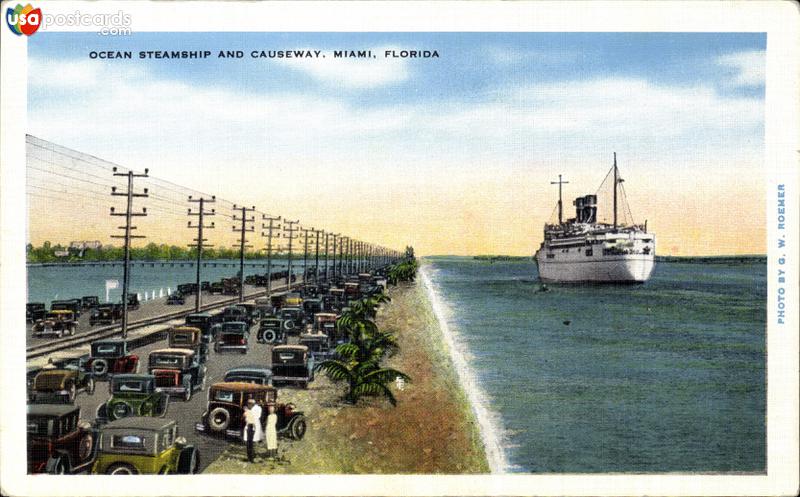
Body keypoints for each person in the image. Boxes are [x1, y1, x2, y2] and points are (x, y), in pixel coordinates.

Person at [243, 398, 263, 462]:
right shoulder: (251, 409)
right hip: (249, 426)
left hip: (253, 426)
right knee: (249, 443)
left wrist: (246, 411)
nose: (248, 405)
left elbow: (252, 417)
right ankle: (250, 458)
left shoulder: (257, 409)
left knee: (252, 443)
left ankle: (252, 458)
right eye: (248, 403)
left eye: (250, 404)